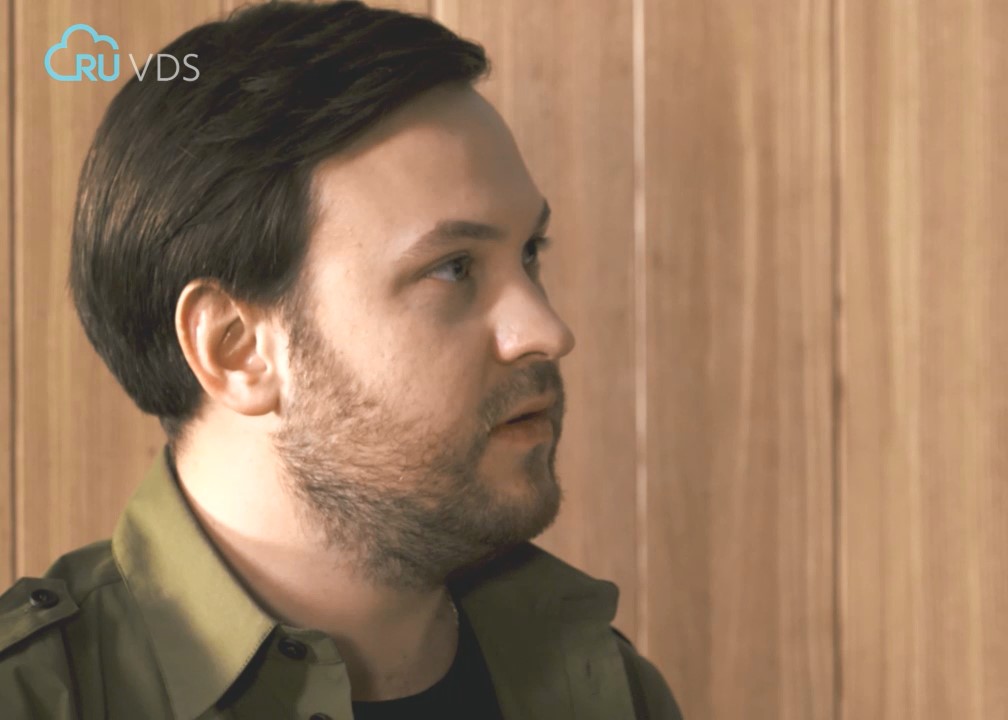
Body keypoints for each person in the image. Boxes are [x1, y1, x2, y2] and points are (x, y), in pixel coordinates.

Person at [0, 2, 682, 718]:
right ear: (236, 349)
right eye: (453, 268)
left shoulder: (603, 685)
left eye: (530, 253)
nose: (547, 330)